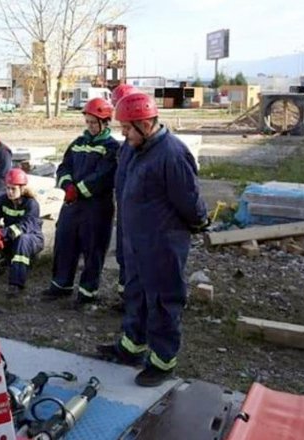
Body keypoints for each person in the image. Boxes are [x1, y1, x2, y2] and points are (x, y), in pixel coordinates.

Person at [96, 92, 209, 387]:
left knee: (162, 300)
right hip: (136, 240)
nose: (122, 132)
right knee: (135, 293)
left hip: (162, 243)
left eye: (127, 127)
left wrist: (199, 221)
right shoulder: (134, 148)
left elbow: (189, 199)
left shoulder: (171, 154)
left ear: (146, 125)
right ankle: (132, 346)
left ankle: (162, 360)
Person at [41, 97, 120, 305]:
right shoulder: (78, 143)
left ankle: (87, 292)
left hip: (97, 207)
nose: (90, 126)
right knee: (64, 242)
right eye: (88, 122)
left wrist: (79, 190)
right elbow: (64, 167)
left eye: (94, 123)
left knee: (93, 248)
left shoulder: (111, 147)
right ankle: (61, 285)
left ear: (105, 122)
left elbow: (103, 176)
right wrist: (67, 185)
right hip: (72, 204)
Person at [0, 168, 44, 298]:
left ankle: (16, 284)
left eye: (13, 189)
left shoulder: (32, 204)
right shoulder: (3, 200)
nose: (10, 192)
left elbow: (25, 226)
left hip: (32, 238)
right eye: (8, 188)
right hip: (11, 235)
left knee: (21, 239)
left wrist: (3, 233)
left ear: (22, 189)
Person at [112, 84, 141, 297]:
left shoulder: (142, 145)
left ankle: (133, 299)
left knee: (134, 256)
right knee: (123, 253)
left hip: (137, 214)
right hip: (124, 208)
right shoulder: (127, 144)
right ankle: (125, 295)